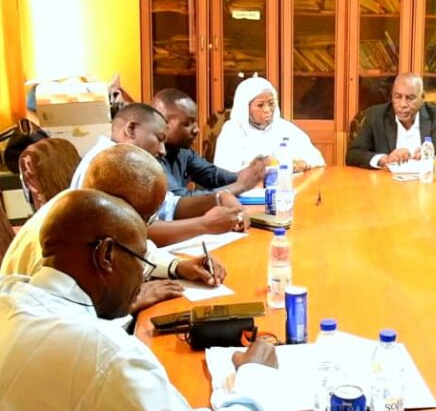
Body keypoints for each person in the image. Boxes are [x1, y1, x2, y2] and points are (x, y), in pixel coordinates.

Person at [0, 189, 280, 411]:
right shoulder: (102, 355)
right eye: (142, 261)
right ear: (106, 255)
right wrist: (256, 375)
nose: (142, 277)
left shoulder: (11, 295)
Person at [0, 144, 227, 313]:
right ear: (113, 208)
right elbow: (66, 327)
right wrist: (129, 304)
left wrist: (178, 266)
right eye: (144, 217)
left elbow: (136, 250)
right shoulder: (61, 241)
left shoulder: (86, 210)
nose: (145, 227)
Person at [71, 103, 252, 247]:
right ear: (131, 129)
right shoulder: (108, 163)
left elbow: (168, 206)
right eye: (159, 139)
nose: (163, 151)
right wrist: (204, 225)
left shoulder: (127, 161)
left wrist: (219, 198)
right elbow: (133, 233)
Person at [153, 88, 266, 196]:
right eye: (188, 123)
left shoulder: (183, 151)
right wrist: (239, 186)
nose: (196, 130)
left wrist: (250, 175)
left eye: (195, 122)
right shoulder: (151, 156)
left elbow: (211, 175)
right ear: (163, 123)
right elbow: (179, 199)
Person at [346, 73, 436, 169]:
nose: (403, 104)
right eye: (398, 97)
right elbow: (353, 155)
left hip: (425, 186)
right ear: (392, 96)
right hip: (386, 185)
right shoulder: (375, 116)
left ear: (422, 98)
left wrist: (432, 159)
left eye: (410, 98)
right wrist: (385, 159)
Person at [214, 76, 325, 172]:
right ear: (245, 107)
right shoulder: (232, 130)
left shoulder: (284, 127)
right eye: (260, 105)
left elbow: (317, 159)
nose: (267, 110)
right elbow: (224, 174)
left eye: (271, 103)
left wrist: (303, 164)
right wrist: (262, 167)